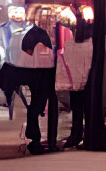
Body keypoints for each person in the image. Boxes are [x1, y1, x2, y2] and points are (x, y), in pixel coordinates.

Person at [21, 11, 60, 154]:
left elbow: (25, 51)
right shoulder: (43, 37)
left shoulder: (33, 35)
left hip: (36, 75)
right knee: (38, 104)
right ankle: (35, 136)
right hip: (45, 75)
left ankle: (34, 135)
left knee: (36, 104)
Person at [60, 19, 95, 148]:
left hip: (74, 83)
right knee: (89, 111)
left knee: (77, 112)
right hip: (89, 83)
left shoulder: (69, 44)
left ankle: (75, 135)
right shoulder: (92, 45)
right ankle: (88, 136)